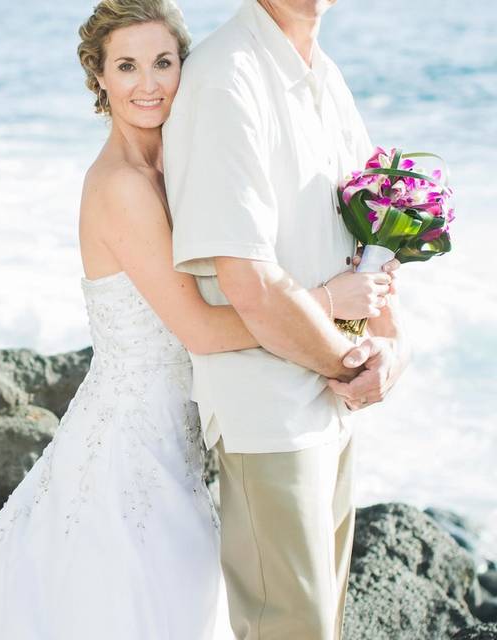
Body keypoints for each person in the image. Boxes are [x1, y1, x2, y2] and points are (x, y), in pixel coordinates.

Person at [0, 1, 399, 638]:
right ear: (99, 77)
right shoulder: (120, 185)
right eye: (126, 66)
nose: (148, 84)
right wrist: (327, 304)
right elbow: (200, 328)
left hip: (189, 427)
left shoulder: (177, 167)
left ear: (184, 65)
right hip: (134, 436)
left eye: (163, 62)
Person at [162, 0, 410, 638]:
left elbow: (372, 238)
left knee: (321, 623)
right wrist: (346, 362)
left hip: (332, 400)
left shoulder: (325, 75)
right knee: (290, 629)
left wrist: (390, 349)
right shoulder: (226, 77)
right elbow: (248, 282)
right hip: (268, 410)